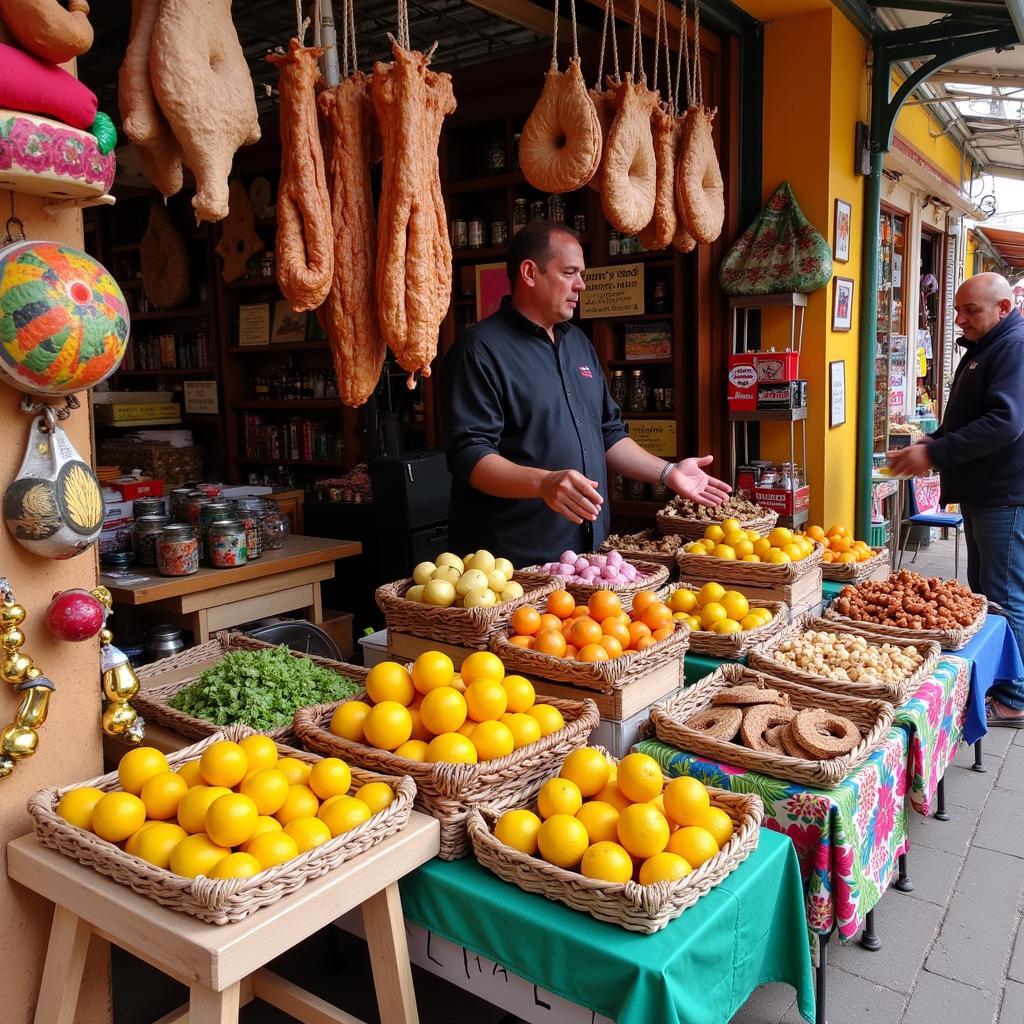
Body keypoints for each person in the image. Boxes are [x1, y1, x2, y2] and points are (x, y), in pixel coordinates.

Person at [441, 221, 731, 567]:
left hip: (586, 557)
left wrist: (668, 473)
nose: (581, 284)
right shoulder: (479, 350)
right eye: (569, 272)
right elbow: (469, 458)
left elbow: (609, 433)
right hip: (510, 565)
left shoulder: (577, 344)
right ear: (530, 272)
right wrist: (544, 483)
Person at [888, 271, 1024, 728]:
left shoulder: (1014, 347)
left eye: (972, 311)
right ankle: (992, 684)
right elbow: (973, 418)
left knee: (1005, 597)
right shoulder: (985, 349)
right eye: (958, 310)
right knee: (986, 595)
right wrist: (932, 439)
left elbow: (1005, 423)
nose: (961, 319)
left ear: (1003, 309)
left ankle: (1014, 697)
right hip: (986, 495)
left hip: (1005, 496)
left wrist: (934, 451)